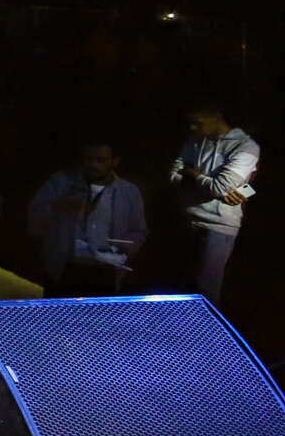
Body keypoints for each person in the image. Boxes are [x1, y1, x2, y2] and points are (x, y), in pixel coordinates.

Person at [26, 141, 148, 293]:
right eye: (88, 159)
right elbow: (33, 219)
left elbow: (138, 230)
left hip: (105, 271)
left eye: (100, 160)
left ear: (114, 161)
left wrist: (122, 250)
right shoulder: (60, 183)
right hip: (64, 269)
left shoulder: (128, 191)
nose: (93, 165)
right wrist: (58, 206)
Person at [167, 101, 259, 299]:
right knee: (179, 287)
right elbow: (173, 176)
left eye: (197, 122)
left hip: (218, 224)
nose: (192, 127)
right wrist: (210, 184)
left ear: (216, 115)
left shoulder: (245, 145)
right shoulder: (194, 140)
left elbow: (229, 186)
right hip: (187, 218)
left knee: (205, 292)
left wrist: (192, 174)